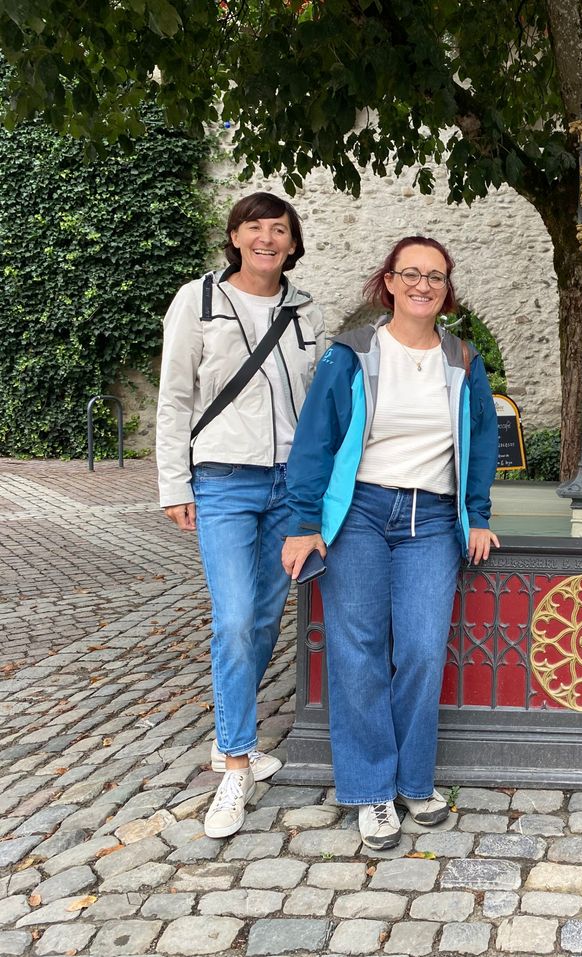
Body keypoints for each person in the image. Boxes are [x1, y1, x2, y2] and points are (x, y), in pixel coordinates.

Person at [281, 236, 499, 851]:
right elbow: (315, 441)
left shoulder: (462, 358)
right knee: (359, 650)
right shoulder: (351, 353)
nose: (423, 285)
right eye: (411, 273)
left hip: (430, 517)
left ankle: (413, 779)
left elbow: (479, 444)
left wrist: (476, 514)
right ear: (390, 282)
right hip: (360, 513)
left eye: (435, 276)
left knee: (424, 649)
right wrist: (304, 523)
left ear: (447, 289)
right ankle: (372, 789)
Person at [156, 192, 324, 838]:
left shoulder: (302, 311)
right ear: (234, 235)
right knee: (231, 617)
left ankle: (240, 735)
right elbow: (174, 398)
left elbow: (313, 407)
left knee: (261, 619)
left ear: (291, 242)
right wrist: (176, 483)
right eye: (255, 226)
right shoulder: (196, 302)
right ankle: (234, 767)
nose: (266, 238)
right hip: (222, 481)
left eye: (279, 229)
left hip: (287, 487)